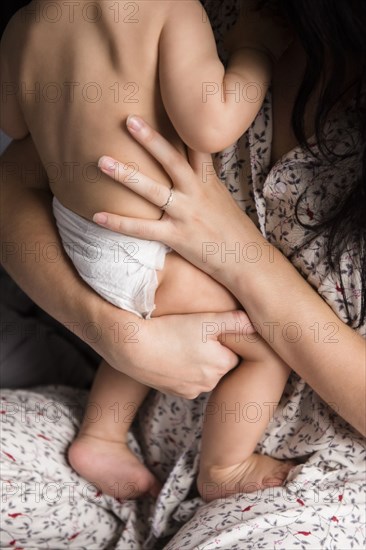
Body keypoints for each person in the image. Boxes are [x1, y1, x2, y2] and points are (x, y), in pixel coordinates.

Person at [0, 0, 365, 548]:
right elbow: (12, 187)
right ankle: (215, 464)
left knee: (183, 307)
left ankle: (108, 434)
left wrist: (239, 253)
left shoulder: (30, 22)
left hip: (309, 488)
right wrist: (111, 331)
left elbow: (14, 119)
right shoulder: (197, 17)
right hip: (145, 432)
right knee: (245, 341)